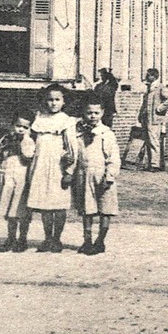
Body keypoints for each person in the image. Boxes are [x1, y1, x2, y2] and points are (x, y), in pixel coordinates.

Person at [23, 84, 77, 252]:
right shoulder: (39, 119)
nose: (53, 103)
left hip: (58, 167)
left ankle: (57, 239)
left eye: (57, 100)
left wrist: (69, 171)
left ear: (64, 101)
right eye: (50, 100)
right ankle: (47, 239)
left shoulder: (66, 121)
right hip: (40, 166)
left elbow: (72, 148)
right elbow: (30, 141)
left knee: (58, 204)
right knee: (45, 204)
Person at [73, 102, 120, 254]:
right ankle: (87, 241)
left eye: (96, 113)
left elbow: (114, 157)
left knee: (105, 208)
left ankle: (100, 241)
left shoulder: (106, 133)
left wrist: (109, 176)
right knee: (87, 209)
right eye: (89, 113)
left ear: (102, 113)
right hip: (84, 175)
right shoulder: (78, 133)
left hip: (103, 176)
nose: (92, 116)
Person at [0, 114, 36, 252]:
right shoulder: (8, 139)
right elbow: (1, 155)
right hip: (9, 176)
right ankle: (11, 238)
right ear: (12, 126)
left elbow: (28, 157)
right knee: (10, 210)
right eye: (18, 126)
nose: (21, 129)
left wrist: (22, 143)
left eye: (25, 127)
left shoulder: (29, 142)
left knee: (21, 210)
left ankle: (22, 239)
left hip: (22, 177)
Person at [128, 68, 168, 171]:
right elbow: (144, 103)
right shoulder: (149, 88)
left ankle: (155, 165)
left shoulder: (160, 87)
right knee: (147, 140)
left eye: (148, 75)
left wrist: (159, 108)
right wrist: (140, 115)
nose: (146, 77)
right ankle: (150, 164)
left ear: (153, 76)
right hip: (146, 118)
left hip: (154, 119)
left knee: (154, 141)